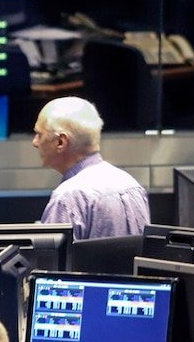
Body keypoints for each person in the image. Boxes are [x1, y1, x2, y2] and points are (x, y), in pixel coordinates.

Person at [33, 96, 150, 239]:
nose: (35, 142)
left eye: (39, 134)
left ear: (61, 142)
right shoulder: (132, 185)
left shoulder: (68, 199)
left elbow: (50, 254)